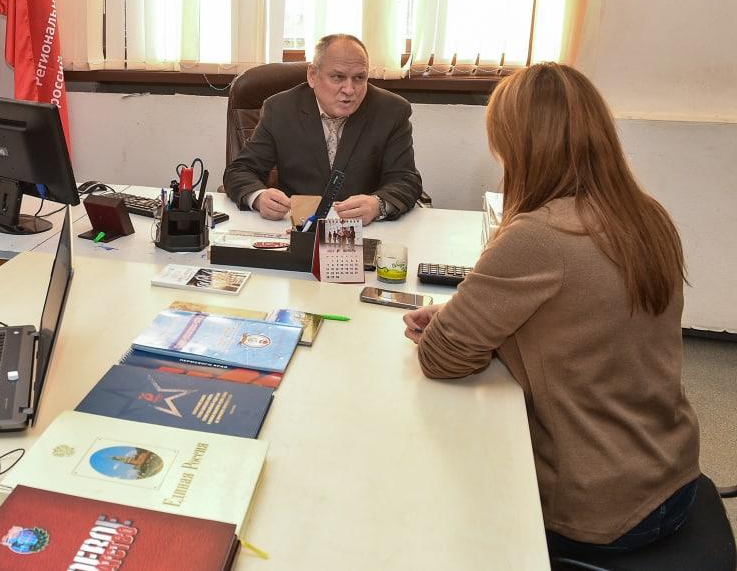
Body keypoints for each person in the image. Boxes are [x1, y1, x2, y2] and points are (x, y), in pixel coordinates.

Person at [402, 63, 700, 560]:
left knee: (426, 495)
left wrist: (463, 326)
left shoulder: (539, 236)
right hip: (670, 472)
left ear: (518, 145)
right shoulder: (646, 215)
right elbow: (579, 315)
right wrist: (475, 314)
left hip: (597, 504)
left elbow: (441, 359)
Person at [223, 34, 423, 223]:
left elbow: (406, 179)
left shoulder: (391, 111)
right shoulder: (280, 109)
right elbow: (241, 170)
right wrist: (259, 197)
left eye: (359, 78)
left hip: (363, 230)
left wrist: (378, 205)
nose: (349, 90)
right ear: (312, 75)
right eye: (338, 77)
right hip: (297, 227)